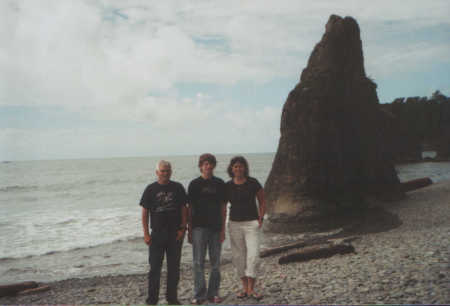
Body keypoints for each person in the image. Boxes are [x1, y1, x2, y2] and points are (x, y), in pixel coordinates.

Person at [140, 160, 188, 305]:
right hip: (157, 234)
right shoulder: (150, 189)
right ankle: (152, 299)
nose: (165, 173)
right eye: (162, 171)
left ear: (171, 172)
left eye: (167, 170)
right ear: (157, 172)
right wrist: (146, 233)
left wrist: (183, 229)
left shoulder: (178, 187)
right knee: (155, 268)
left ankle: (172, 298)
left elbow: (184, 209)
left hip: (175, 234)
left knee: (174, 268)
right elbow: (145, 212)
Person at [187, 153, 227, 304]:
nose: (208, 166)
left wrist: (223, 229)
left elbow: (224, 208)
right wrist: (189, 230)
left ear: (214, 166)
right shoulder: (194, 184)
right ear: (200, 166)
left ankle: (213, 293)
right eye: (205, 164)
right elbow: (189, 208)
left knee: (215, 263)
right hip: (198, 228)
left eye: (210, 163)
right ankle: (199, 294)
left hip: (216, 228)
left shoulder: (220, 183)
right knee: (198, 262)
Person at [226, 155, 266, 301]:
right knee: (238, 257)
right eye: (235, 166)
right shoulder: (227, 185)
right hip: (234, 224)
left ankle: (252, 289)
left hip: (251, 224)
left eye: (241, 166)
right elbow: (222, 206)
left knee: (254, 256)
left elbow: (262, 201)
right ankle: (245, 288)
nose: (238, 169)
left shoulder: (253, 182)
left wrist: (261, 218)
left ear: (245, 168)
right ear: (232, 169)